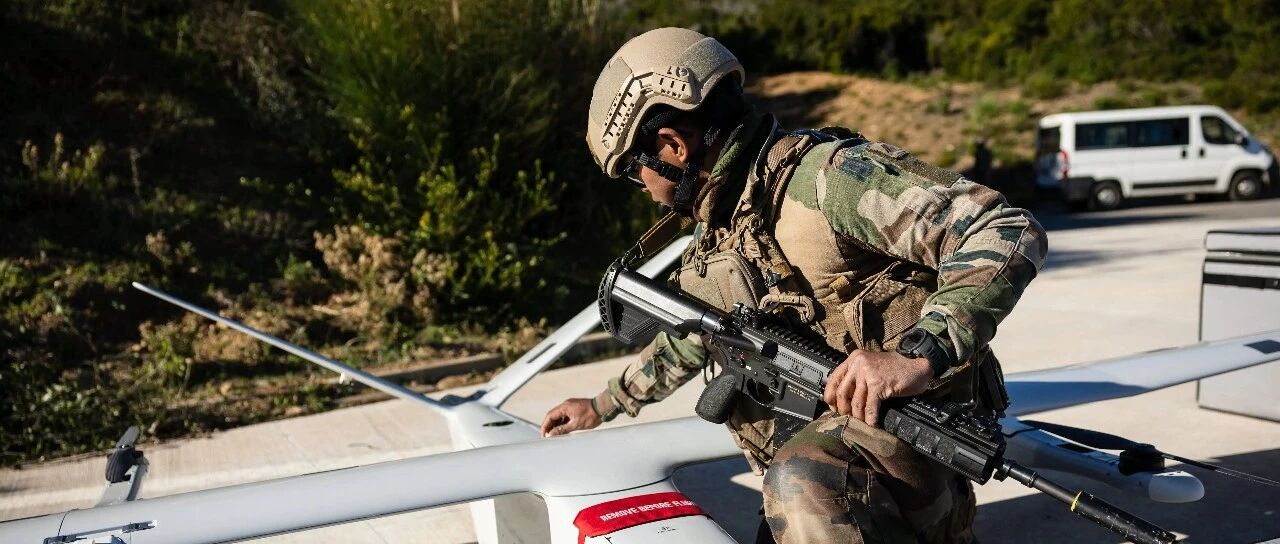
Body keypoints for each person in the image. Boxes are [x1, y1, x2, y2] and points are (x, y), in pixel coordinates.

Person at [541, 27, 1047, 544]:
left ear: (672, 147)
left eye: (634, 172)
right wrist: (601, 404)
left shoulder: (824, 181)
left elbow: (1005, 229)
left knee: (800, 481)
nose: (645, 191)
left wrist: (920, 354)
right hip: (828, 475)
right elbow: (694, 335)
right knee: (795, 489)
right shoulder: (723, 228)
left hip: (903, 459)